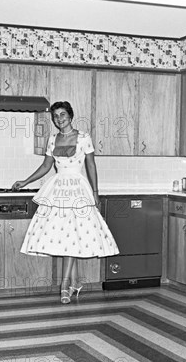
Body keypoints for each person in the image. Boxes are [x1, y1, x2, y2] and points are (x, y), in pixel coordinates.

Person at [12, 101, 119, 304]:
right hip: (58, 189)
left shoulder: (84, 137)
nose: (59, 119)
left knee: (72, 236)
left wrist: (96, 192)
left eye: (62, 115)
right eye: (55, 116)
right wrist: (25, 181)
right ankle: (76, 282)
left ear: (70, 115)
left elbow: (91, 165)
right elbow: (45, 166)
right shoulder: (53, 139)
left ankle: (65, 286)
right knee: (67, 236)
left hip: (77, 190)